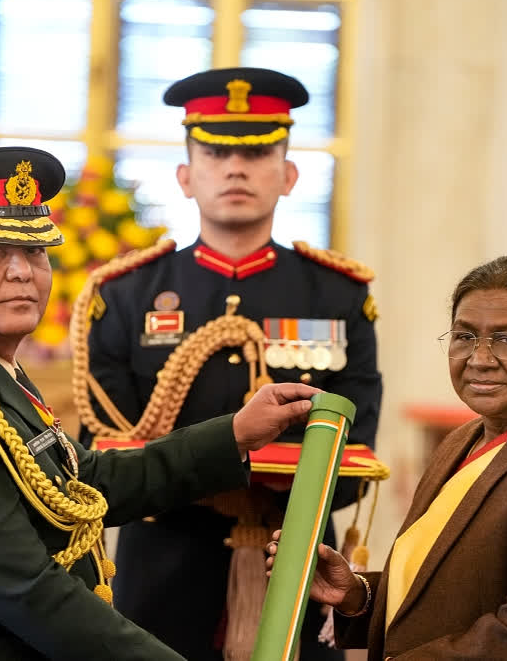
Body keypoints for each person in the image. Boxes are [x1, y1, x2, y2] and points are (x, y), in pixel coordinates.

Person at [0, 145, 321, 661]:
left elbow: (87, 481)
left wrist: (234, 433)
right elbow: (28, 589)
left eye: (34, 252)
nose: (22, 272)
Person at [74, 67, 382, 661]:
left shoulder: (338, 296)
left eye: (258, 151)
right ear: (186, 176)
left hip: (294, 554)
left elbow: (355, 440)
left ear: (288, 175)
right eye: (215, 152)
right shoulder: (125, 295)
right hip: (163, 558)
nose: (235, 167)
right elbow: (104, 445)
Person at [267, 255, 507, 660]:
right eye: (465, 336)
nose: (480, 358)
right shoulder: (461, 440)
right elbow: (446, 592)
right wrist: (356, 593)